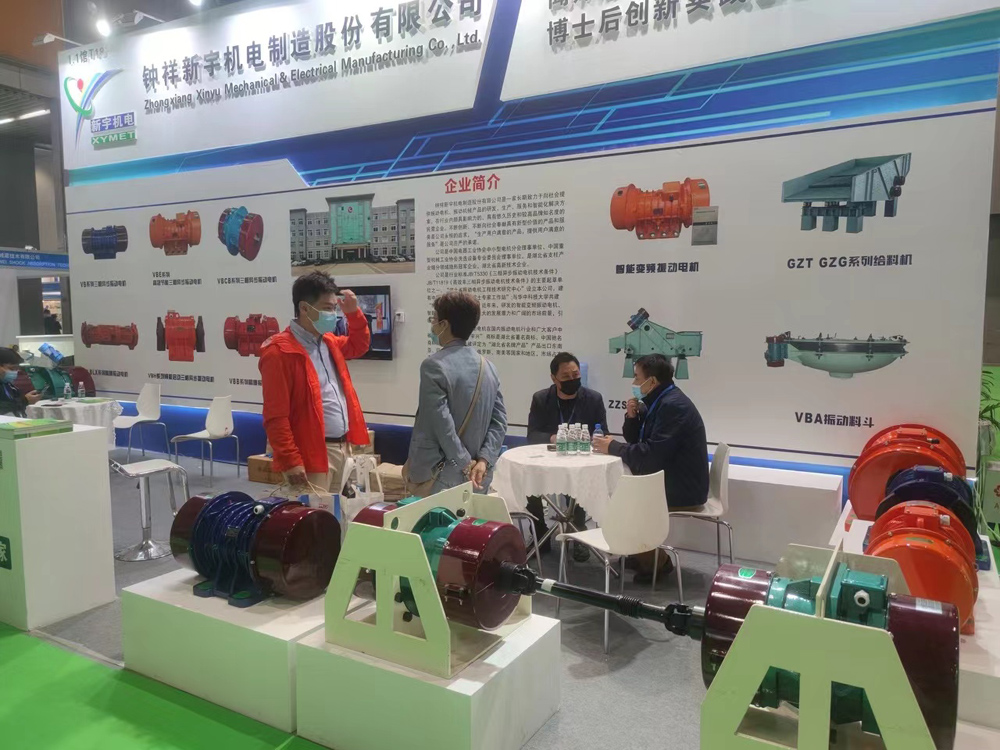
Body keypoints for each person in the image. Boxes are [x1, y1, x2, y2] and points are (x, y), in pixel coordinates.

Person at [593, 353, 709, 582]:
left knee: (627, 498)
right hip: (672, 477)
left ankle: (656, 562)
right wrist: (632, 417)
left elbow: (651, 456)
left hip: (683, 487)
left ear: (652, 381)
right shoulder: (660, 401)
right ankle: (641, 551)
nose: (634, 383)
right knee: (624, 491)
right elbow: (638, 441)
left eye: (637, 378)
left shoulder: (673, 406)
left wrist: (613, 447)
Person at [259, 271, 371, 494]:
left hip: (343, 448)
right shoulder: (279, 352)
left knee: (342, 512)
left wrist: (353, 314)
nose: (333, 314)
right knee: (313, 515)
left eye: (334, 308)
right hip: (311, 455)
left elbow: (359, 345)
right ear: (304, 308)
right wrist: (290, 460)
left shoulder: (328, 342)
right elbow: (276, 416)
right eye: (327, 308)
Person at [406, 291, 507, 495]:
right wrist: (483, 461)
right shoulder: (488, 367)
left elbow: (441, 422)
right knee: (471, 517)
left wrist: (464, 462)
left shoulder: (434, 366)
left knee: (433, 517)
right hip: (479, 475)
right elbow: (499, 422)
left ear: (444, 324)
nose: (432, 325)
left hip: (441, 473)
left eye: (434, 319)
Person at [526, 352, 608, 554]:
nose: (572, 380)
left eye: (575, 375)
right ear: (554, 378)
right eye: (566, 377)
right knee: (528, 481)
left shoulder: (593, 399)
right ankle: (540, 533)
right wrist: (554, 438)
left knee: (580, 480)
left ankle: (579, 531)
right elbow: (533, 435)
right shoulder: (541, 399)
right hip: (549, 461)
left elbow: (602, 433)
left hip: (581, 461)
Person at [0, 347, 41, 417]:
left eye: (17, 369)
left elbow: (14, 400)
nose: (15, 372)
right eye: (11, 368)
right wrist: (25, 400)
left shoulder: (7, 385)